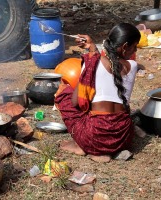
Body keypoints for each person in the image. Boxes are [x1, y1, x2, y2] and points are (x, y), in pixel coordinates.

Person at [54, 23, 141, 162]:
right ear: (125, 47)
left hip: (94, 137)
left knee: (65, 95)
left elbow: (76, 102)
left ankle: (82, 146)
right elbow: (110, 70)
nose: (135, 50)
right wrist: (93, 49)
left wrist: (91, 55)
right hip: (123, 137)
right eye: (135, 46)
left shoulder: (91, 62)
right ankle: (106, 152)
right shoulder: (133, 66)